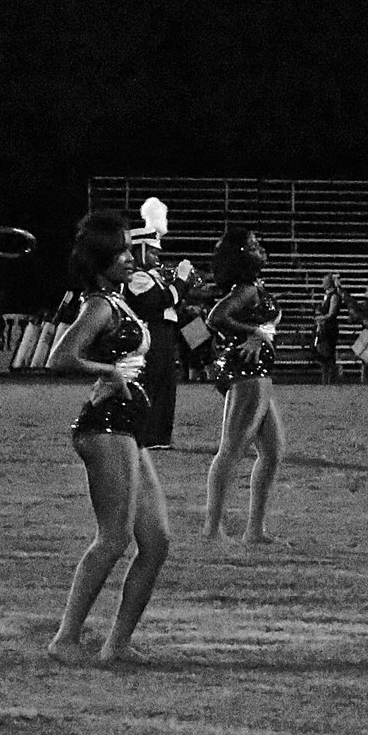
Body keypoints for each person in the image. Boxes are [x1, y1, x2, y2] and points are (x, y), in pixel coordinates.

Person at [47, 212, 175, 664]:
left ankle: (116, 644)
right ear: (102, 262)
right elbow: (61, 357)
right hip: (105, 429)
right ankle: (65, 639)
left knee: (156, 541)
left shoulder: (118, 301)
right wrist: (110, 373)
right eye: (120, 252)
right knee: (114, 537)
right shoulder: (100, 304)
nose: (129, 257)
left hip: (127, 430)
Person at [201, 225, 286, 549]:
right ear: (241, 256)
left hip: (257, 372)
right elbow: (216, 317)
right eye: (253, 245)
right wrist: (254, 331)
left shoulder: (252, 287)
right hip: (248, 373)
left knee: (273, 452)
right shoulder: (246, 289)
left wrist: (257, 331)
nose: (259, 247)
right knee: (232, 450)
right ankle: (212, 530)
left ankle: (255, 530)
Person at [123, 198, 184, 451]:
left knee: (167, 382)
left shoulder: (151, 276)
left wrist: (177, 284)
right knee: (152, 380)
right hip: (150, 333)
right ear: (141, 251)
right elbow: (160, 301)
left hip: (165, 333)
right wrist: (179, 281)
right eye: (154, 252)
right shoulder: (136, 277)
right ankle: (145, 434)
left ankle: (160, 436)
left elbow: (172, 303)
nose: (158, 257)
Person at [313, 272, 346, 384]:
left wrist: (321, 317)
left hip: (329, 328)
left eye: (325, 282)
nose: (323, 284)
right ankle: (326, 379)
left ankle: (331, 379)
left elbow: (331, 313)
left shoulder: (334, 296)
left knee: (328, 354)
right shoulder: (327, 295)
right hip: (325, 327)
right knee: (324, 355)